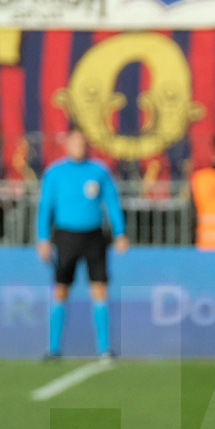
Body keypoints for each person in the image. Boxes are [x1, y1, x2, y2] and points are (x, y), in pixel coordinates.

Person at [37, 128, 127, 360]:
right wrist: (43, 238)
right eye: (74, 142)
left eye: (82, 142)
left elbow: (112, 203)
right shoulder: (55, 172)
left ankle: (104, 349)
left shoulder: (99, 171)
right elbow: (45, 207)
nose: (79, 146)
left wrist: (120, 232)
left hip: (94, 236)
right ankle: (54, 349)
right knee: (60, 289)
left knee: (99, 288)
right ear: (67, 144)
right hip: (66, 236)